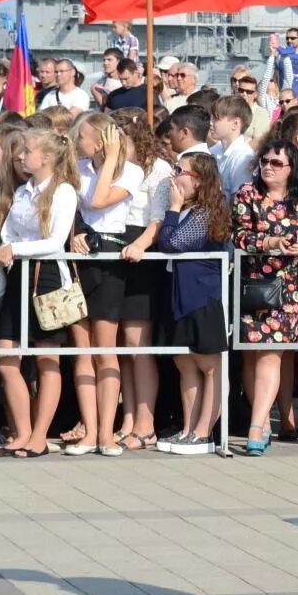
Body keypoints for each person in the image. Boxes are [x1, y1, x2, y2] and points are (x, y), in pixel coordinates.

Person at [0, 128, 80, 458]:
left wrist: (15, 248)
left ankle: (39, 435)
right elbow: (7, 231)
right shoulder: (24, 190)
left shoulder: (63, 190)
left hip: (47, 277)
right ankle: (23, 431)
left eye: (27, 150)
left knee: (46, 359)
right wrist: (11, 246)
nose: (21, 156)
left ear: (47, 156)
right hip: (18, 276)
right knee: (6, 359)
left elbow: (56, 242)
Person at [232, 134, 298, 453]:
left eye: (276, 163)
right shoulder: (247, 193)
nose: (268, 168)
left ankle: (258, 426)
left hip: (287, 288)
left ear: (291, 167)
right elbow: (239, 235)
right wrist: (270, 243)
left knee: (271, 354)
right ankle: (260, 419)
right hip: (252, 285)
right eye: (265, 161)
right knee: (251, 355)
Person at [63, 113, 143, 456]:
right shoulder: (78, 167)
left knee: (104, 347)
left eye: (81, 136)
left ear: (99, 140)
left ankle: (107, 433)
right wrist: (73, 233)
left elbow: (98, 201)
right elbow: (69, 207)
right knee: (82, 349)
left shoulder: (131, 170)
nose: (76, 142)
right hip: (80, 254)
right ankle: (90, 431)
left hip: (111, 255)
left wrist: (111, 157)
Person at [155, 153, 231, 455]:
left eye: (181, 171)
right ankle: (188, 429)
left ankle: (204, 432)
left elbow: (172, 243)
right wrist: (173, 210)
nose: (175, 177)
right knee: (185, 363)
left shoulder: (207, 212)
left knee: (210, 366)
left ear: (198, 180)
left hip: (203, 295)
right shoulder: (185, 210)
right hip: (179, 296)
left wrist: (172, 210)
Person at [113, 111, 170, 451]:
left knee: (139, 345)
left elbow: (158, 218)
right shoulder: (116, 167)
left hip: (141, 253)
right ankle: (128, 417)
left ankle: (147, 423)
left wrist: (140, 244)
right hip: (117, 251)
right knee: (122, 346)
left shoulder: (159, 169)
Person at [209, 95, 256, 195]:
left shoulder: (244, 157)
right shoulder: (215, 150)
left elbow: (238, 201)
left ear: (235, 124)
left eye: (215, 119)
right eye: (211, 118)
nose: (210, 123)